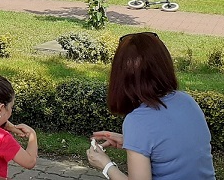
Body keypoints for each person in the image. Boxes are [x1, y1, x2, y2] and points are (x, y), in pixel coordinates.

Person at [86, 33, 215, 180]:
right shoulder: (187, 101)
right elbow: (175, 147)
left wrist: (106, 165)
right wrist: (132, 142)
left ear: (120, 75)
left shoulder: (137, 121)